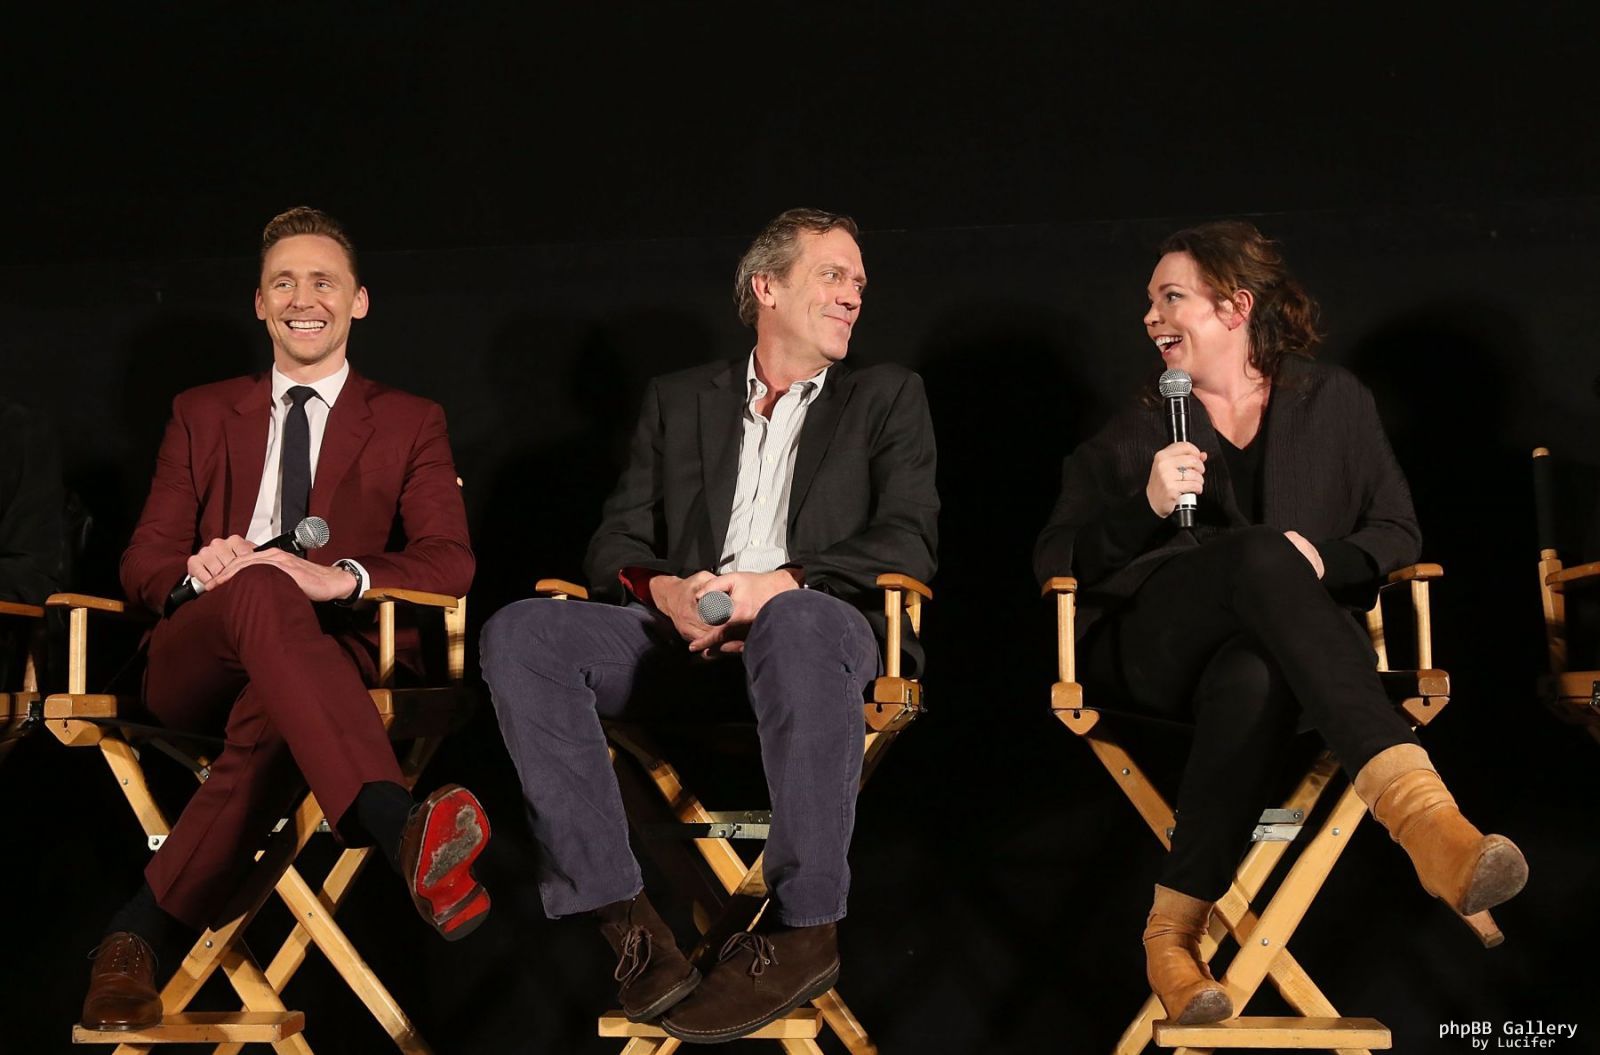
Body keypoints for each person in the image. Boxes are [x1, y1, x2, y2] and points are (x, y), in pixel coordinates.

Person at [1033, 220, 1526, 1025]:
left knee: (1253, 673)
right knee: (1261, 556)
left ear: (1235, 306)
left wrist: (1321, 560)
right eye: (1150, 301)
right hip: (1154, 652)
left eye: (1171, 297)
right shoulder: (1141, 423)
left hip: (1292, 664)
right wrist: (1145, 506)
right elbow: (1056, 556)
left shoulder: (1333, 402)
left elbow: (1396, 531)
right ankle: (1427, 820)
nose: (1151, 316)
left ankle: (1171, 941)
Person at [481, 207, 938, 1043]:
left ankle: (805, 928)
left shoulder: (885, 396)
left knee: (796, 620)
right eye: (833, 275)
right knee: (521, 632)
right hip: (683, 641)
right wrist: (667, 591)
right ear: (767, 287)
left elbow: (907, 541)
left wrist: (780, 586)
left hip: (821, 633)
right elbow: (615, 543)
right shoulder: (681, 398)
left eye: (859, 282)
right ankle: (627, 924)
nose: (853, 294)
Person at [82, 207, 491, 1032]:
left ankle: (137, 933)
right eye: (284, 284)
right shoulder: (201, 412)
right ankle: (392, 818)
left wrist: (339, 578)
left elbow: (450, 560)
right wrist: (198, 570)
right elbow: (143, 560)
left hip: (330, 654)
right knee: (260, 588)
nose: (305, 299)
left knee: (278, 699)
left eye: (324, 282)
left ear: (359, 301)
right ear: (260, 303)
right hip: (201, 653)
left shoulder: (410, 419)